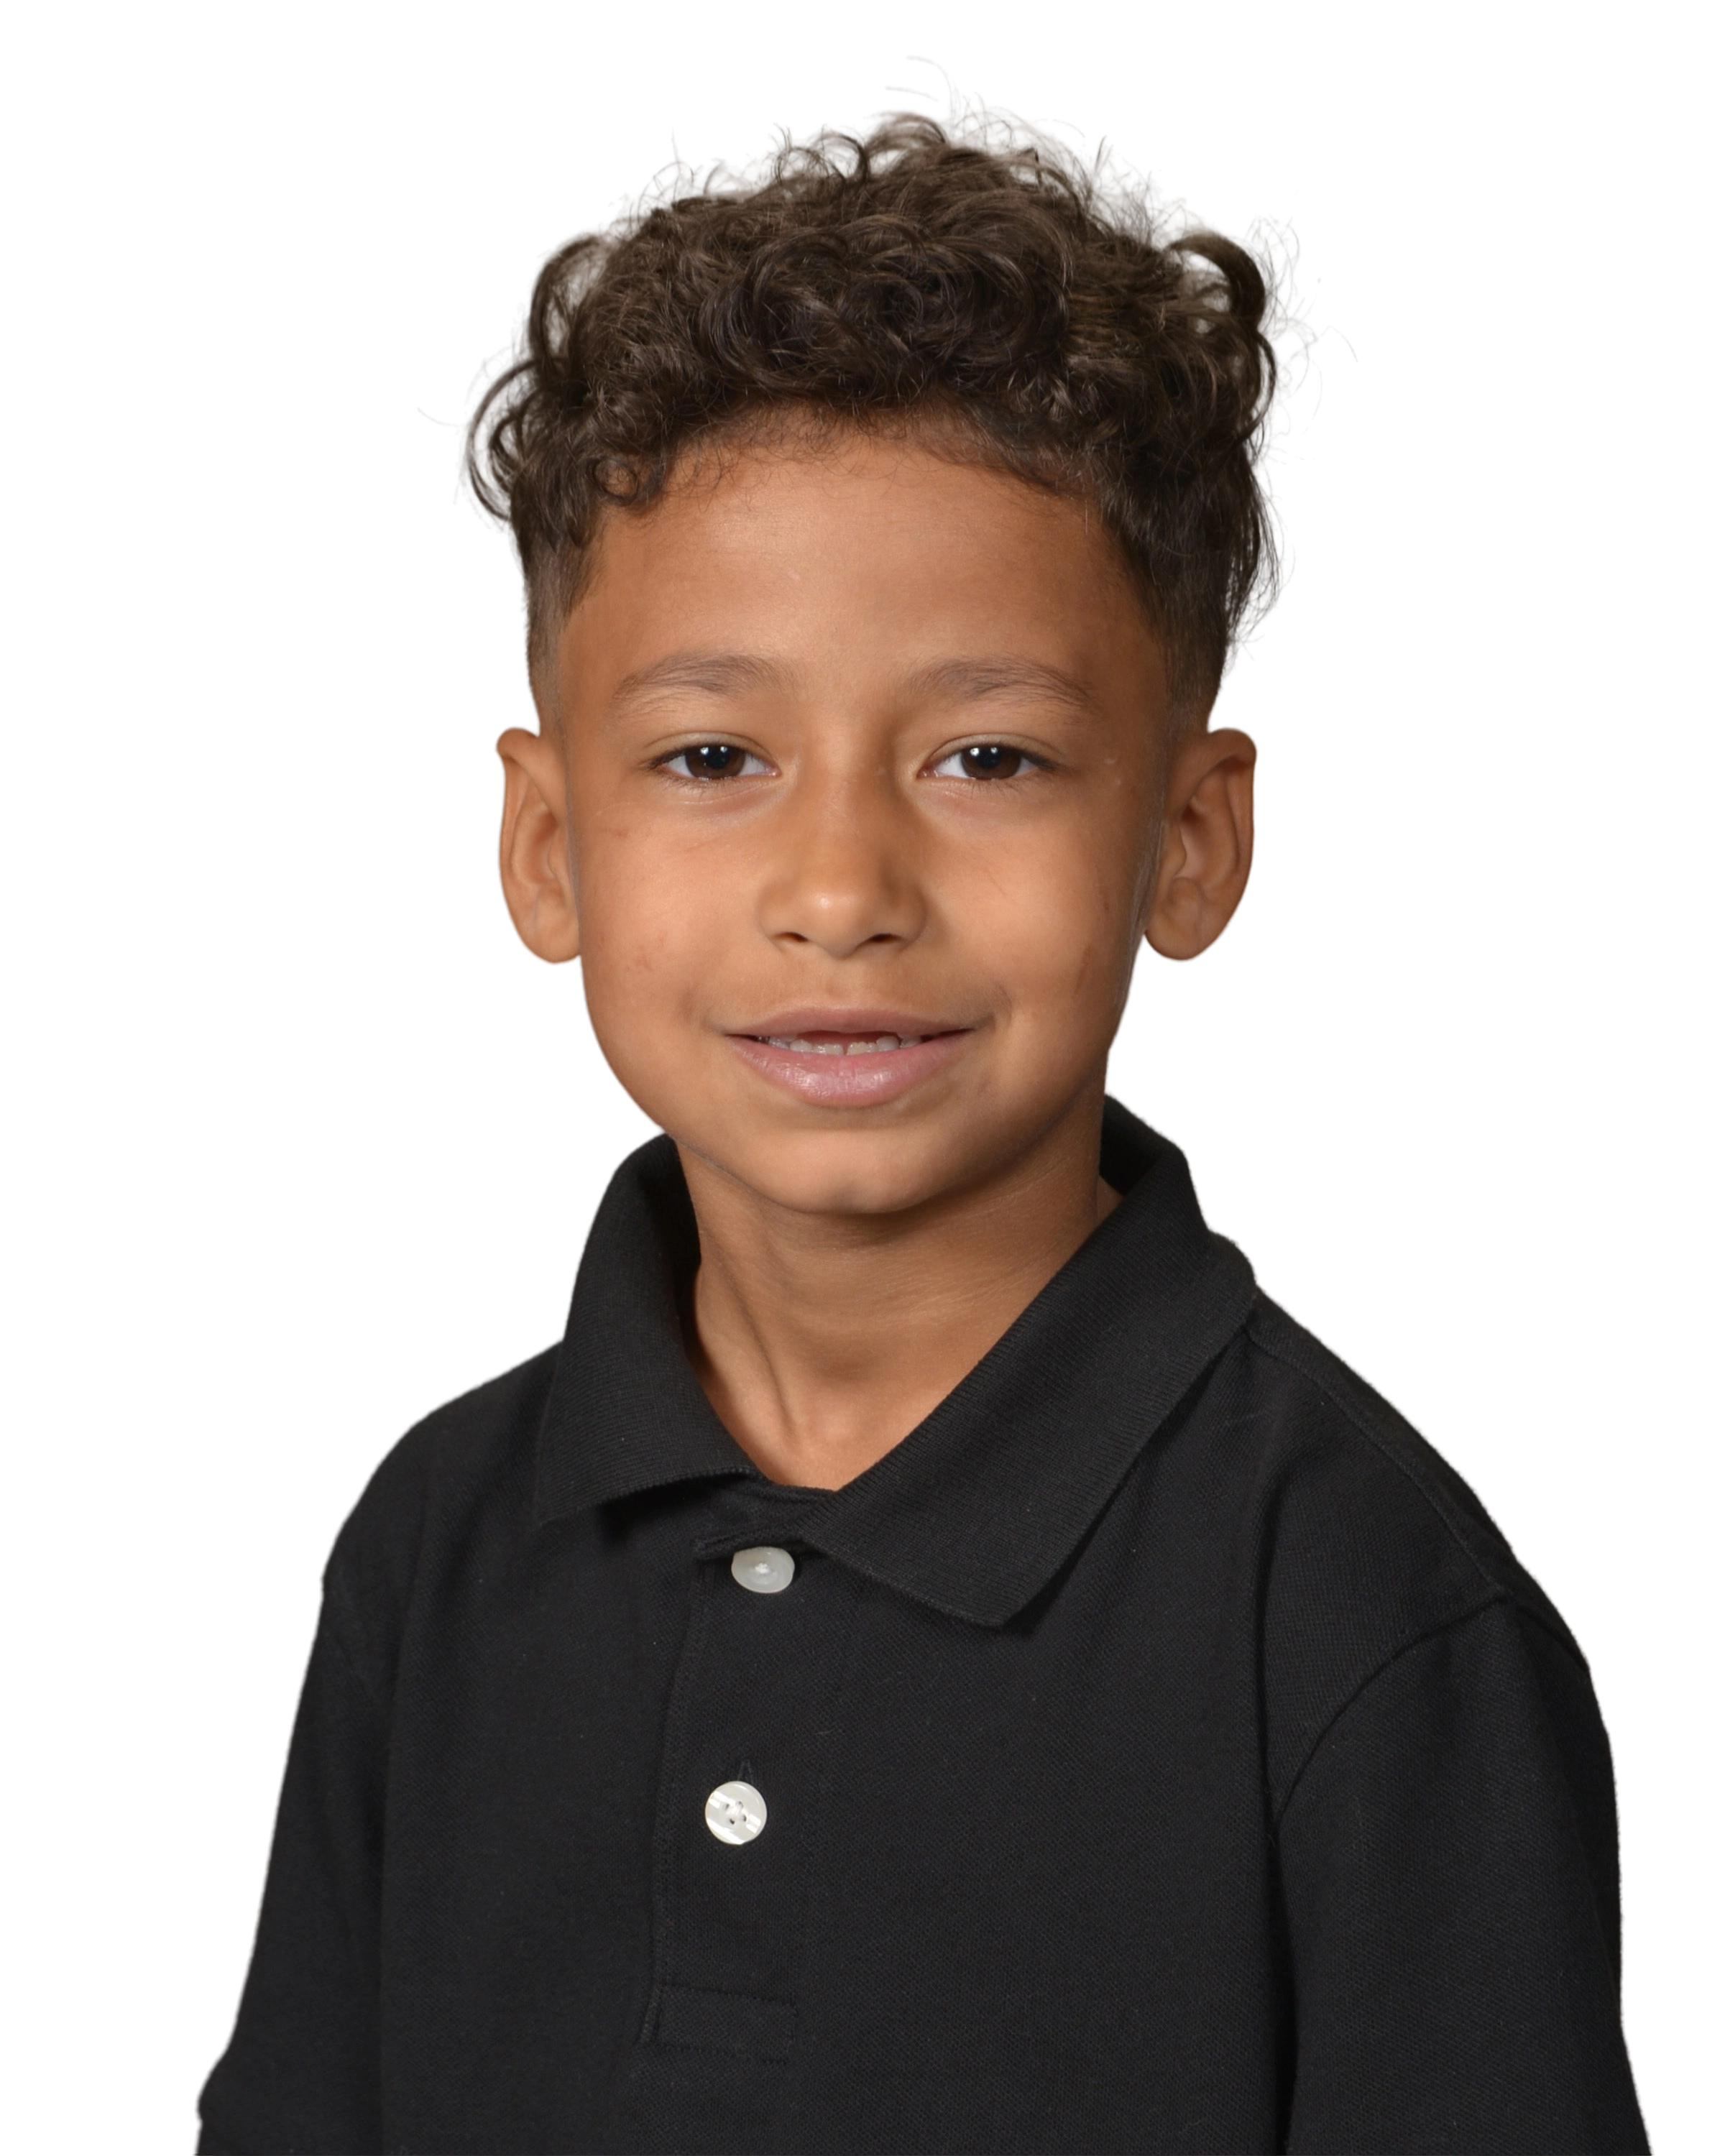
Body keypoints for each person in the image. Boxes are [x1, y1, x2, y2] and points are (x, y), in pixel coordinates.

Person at [192, 80, 1654, 2155]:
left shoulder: (1364, 1616)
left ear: (1190, 840)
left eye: (988, 758)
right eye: (714, 757)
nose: (843, 888)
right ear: (544, 844)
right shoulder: (432, 1554)